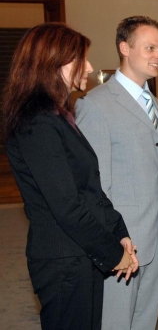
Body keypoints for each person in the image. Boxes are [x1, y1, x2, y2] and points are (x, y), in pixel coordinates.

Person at [1, 22, 138, 330]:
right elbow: (66, 205)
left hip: (80, 254)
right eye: (81, 59)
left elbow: (89, 188)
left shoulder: (58, 116)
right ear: (54, 62)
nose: (89, 67)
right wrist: (114, 254)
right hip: (63, 260)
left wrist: (120, 233)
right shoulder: (37, 123)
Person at [75, 16, 158, 330]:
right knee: (117, 323)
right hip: (123, 242)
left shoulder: (153, 101)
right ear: (125, 48)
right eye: (150, 47)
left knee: (146, 321)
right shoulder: (96, 105)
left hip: (157, 235)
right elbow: (94, 187)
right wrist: (111, 242)